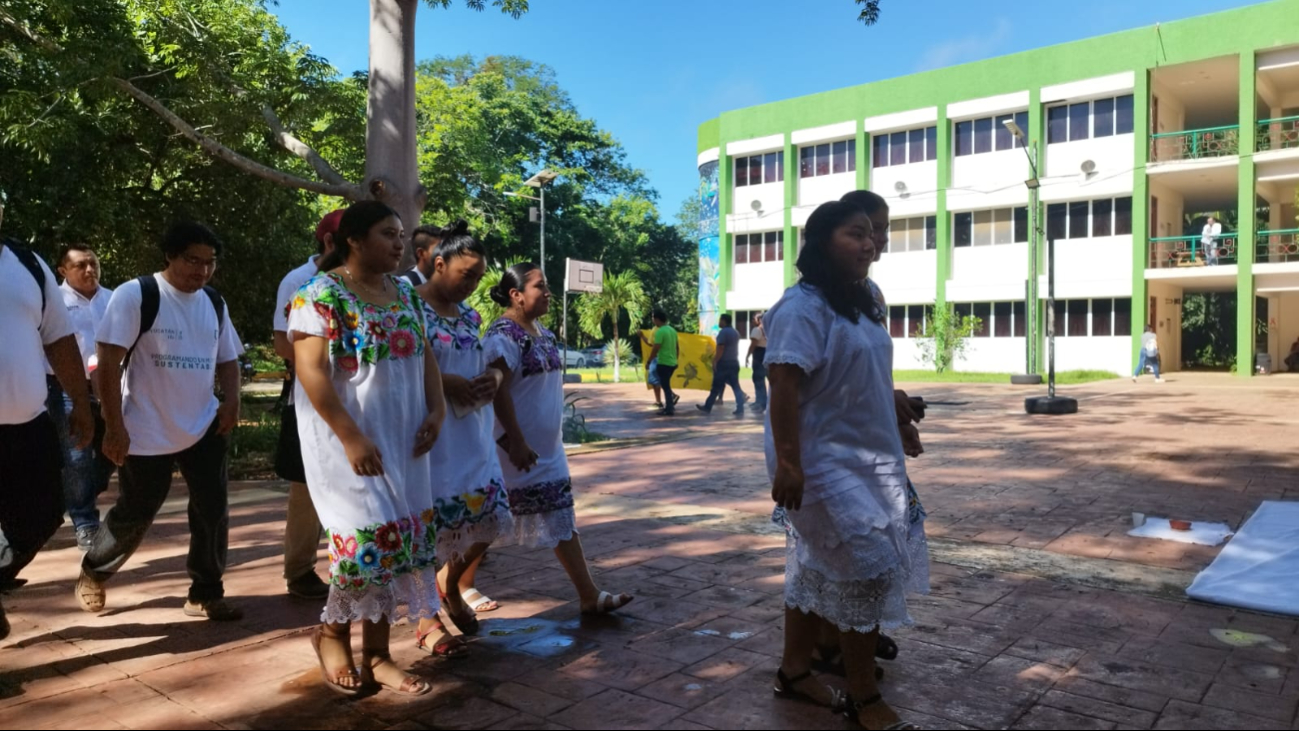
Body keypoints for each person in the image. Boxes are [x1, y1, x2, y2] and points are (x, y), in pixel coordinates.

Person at [766, 200, 927, 731]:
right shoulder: (801, 307)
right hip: (820, 458)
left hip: (867, 451)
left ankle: (794, 670)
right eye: (857, 233)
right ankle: (862, 696)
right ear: (820, 242)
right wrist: (788, 463)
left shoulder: (863, 300)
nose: (871, 243)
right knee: (868, 566)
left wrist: (899, 418)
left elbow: (873, 370)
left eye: (875, 236)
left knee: (814, 563)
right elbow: (783, 385)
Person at [289, 200, 445, 696]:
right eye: (387, 234)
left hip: (404, 440)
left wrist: (437, 411)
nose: (400, 244)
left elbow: (427, 359)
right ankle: (331, 635)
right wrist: (351, 436)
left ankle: (378, 655)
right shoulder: (317, 295)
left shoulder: (406, 295)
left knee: (399, 541)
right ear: (354, 240)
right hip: (347, 444)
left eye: (401, 234)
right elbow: (310, 371)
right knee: (366, 543)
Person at [78, 222, 244, 622]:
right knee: (137, 510)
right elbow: (108, 360)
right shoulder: (137, 295)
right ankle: (94, 570)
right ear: (169, 256)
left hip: (203, 424)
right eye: (192, 260)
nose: (201, 271)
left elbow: (227, 358)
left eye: (210, 263)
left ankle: (205, 591)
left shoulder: (213, 302)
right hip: (146, 427)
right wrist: (114, 425)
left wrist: (233, 401)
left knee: (213, 509)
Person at [484, 264, 632, 615]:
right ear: (516, 295)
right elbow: (498, 392)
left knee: (562, 515)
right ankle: (451, 584)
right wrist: (516, 441)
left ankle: (588, 595)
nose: (548, 292)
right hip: (513, 450)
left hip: (548, 451)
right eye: (540, 286)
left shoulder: (543, 333)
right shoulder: (503, 335)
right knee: (489, 521)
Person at [414, 220, 514, 656]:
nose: (472, 285)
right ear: (439, 263)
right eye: (465, 274)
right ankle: (424, 618)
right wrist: (445, 382)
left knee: (488, 518)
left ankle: (450, 586)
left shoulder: (472, 317)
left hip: (472, 432)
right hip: (431, 434)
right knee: (428, 529)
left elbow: (484, 362)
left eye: (478, 277)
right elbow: (403, 366)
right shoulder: (408, 306)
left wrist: (490, 376)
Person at [0, 195, 95, 640]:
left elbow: (58, 339)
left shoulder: (28, 264)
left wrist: (80, 402)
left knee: (43, 514)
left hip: (27, 424)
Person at [270, 210, 343, 601]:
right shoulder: (300, 282)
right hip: (310, 404)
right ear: (332, 242)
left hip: (354, 402)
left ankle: (350, 564)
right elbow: (282, 342)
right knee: (305, 486)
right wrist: (321, 368)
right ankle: (298, 570)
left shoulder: (367, 283)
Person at [47, 243, 116, 551]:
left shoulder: (115, 300)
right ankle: (85, 523)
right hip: (65, 388)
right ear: (63, 271)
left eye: (93, 263)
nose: (90, 270)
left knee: (110, 452)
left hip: (110, 387)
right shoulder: (53, 302)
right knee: (77, 455)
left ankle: (74, 496)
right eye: (80, 266)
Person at [698, 314, 748, 415]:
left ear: (724, 321)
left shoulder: (723, 332)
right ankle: (740, 408)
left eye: (720, 320)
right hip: (734, 362)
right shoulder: (735, 332)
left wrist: (715, 360)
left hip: (724, 363)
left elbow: (721, 348)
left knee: (716, 386)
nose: (719, 322)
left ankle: (707, 407)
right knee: (736, 386)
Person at [642, 309, 679, 416]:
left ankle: (669, 409)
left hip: (663, 362)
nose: (652, 320)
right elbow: (677, 347)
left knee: (666, 386)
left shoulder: (660, 332)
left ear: (657, 319)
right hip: (672, 363)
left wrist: (649, 361)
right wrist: (676, 359)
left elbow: (655, 348)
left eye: (653, 318)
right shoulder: (672, 330)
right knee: (665, 384)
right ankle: (669, 406)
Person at [746, 312, 768, 414]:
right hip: (767, 354)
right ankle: (760, 402)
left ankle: (761, 403)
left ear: (759, 320)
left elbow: (753, 345)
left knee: (758, 379)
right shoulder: (769, 330)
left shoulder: (757, 330)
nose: (752, 321)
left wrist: (747, 356)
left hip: (758, 355)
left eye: (753, 319)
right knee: (762, 378)